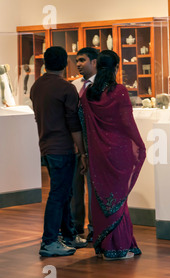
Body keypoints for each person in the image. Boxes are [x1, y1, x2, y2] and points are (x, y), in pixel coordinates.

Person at [80, 50, 146, 260]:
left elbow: (83, 124)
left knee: (100, 197)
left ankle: (104, 246)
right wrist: (140, 145)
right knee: (119, 199)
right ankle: (118, 247)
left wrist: (85, 153)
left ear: (98, 67)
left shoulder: (88, 93)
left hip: (97, 153)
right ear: (116, 68)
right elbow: (127, 122)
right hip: (119, 152)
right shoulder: (119, 91)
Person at [30, 46, 88, 257]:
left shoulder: (37, 86)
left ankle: (69, 235)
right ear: (66, 64)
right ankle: (49, 241)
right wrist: (82, 152)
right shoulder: (66, 88)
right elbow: (73, 125)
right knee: (58, 194)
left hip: (46, 145)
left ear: (45, 63)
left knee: (64, 192)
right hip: (63, 148)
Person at [71, 47, 98, 241]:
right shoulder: (73, 85)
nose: (78, 64)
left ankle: (94, 227)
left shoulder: (101, 86)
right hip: (75, 143)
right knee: (75, 187)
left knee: (93, 187)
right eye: (76, 61)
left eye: (82, 60)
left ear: (94, 62)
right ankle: (75, 226)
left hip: (95, 144)